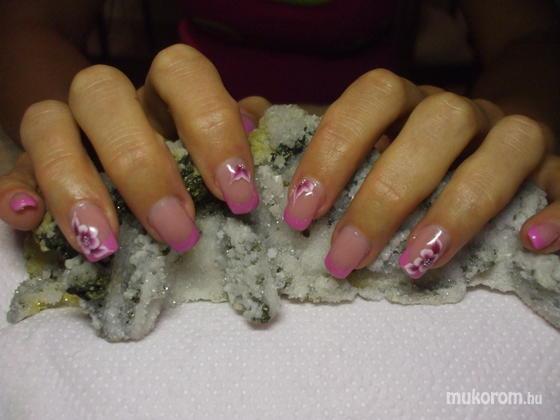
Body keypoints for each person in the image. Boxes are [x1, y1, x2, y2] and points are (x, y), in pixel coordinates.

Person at [0, 0, 558, 281]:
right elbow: (28, 25)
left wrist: (510, 126)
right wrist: (83, 138)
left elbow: (529, 37)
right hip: (172, 127)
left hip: (402, 141)